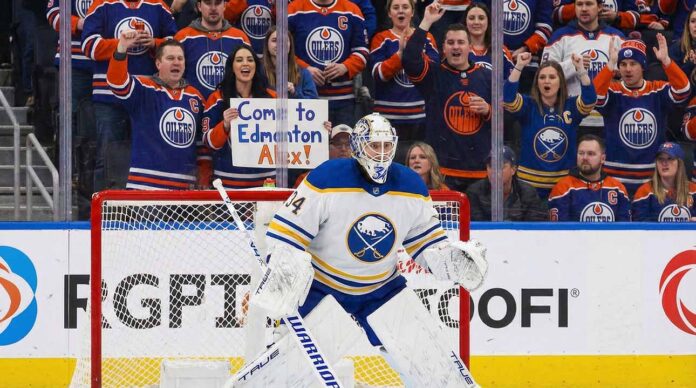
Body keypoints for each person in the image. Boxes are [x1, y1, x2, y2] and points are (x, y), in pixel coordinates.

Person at [249, 112, 487, 386]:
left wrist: (450, 260)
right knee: (286, 376)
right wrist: (286, 263)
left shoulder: (411, 185)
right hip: (323, 287)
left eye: (387, 146)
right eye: (375, 145)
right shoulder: (327, 177)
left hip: (382, 289)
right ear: (359, 146)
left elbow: (426, 244)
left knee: (435, 370)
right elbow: (285, 231)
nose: (382, 153)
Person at [82, 0, 178, 190]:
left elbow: (177, 42)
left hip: (146, 97)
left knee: (147, 157)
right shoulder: (102, 4)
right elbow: (88, 45)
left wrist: (154, 43)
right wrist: (121, 44)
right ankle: (102, 212)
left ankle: (141, 212)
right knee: (106, 157)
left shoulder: (158, 6)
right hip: (108, 97)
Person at [403, 2, 492, 192]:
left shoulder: (486, 76)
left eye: (460, 42)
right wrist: (426, 22)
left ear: (470, 47)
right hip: (442, 173)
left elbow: (507, 117)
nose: (455, 47)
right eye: (450, 43)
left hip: (480, 173)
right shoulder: (434, 75)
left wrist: (489, 110)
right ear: (443, 48)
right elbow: (410, 59)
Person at [594, 36, 690, 195]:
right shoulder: (613, 91)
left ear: (643, 66)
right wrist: (609, 66)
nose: (628, 69)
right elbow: (594, 97)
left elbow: (683, 91)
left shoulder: (657, 90)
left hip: (652, 180)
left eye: (633, 64)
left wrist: (667, 62)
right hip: (614, 179)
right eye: (623, 64)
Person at [107, 34, 205, 190]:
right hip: (145, 184)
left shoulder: (195, 96)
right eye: (170, 58)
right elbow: (117, 83)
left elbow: (201, 141)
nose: (176, 62)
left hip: (185, 187)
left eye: (180, 59)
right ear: (158, 63)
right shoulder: (144, 88)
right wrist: (122, 48)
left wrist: (203, 175)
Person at [504, 52, 596, 199]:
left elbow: (590, 100)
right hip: (528, 186)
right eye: (542, 77)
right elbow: (507, 98)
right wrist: (519, 66)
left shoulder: (570, 106)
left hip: (564, 187)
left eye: (552, 77)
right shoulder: (529, 105)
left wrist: (581, 70)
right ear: (537, 83)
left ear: (561, 82)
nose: (547, 81)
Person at [201, 44, 276, 189]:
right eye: (239, 60)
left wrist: (319, 127)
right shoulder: (217, 98)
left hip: (266, 183)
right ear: (232, 67)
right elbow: (208, 142)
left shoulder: (272, 98)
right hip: (228, 183)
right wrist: (225, 125)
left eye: (250, 60)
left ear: (256, 65)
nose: (245, 63)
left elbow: (294, 132)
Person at [542, 0, 624, 130]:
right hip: (571, 116)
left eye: (589, 4)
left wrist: (618, 73)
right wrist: (572, 66)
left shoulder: (617, 37)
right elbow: (544, 76)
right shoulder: (560, 36)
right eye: (579, 4)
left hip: (610, 117)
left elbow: (632, 76)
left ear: (600, 7)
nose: (584, 9)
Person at [369, 0, 437, 149]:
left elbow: (434, 73)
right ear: (389, 13)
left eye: (405, 7)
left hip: (419, 117)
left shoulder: (427, 38)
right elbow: (378, 74)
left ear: (412, 12)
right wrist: (400, 55)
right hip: (387, 118)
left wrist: (413, 53)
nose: (401, 11)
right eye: (396, 7)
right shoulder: (381, 38)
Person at [288, 0, 369, 126]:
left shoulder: (352, 11)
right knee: (308, 145)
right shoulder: (294, 9)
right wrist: (304, 70)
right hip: (305, 98)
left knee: (342, 145)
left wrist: (345, 66)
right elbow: (281, 50)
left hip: (344, 100)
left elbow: (362, 51)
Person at [174, 0, 251, 100]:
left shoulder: (240, 38)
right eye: (208, 3)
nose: (213, 8)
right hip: (194, 108)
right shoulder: (182, 37)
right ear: (199, 6)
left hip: (231, 108)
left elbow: (252, 77)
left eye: (217, 3)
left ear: (224, 6)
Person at [549, 135, 631, 221]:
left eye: (591, 154)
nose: (584, 158)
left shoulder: (618, 188)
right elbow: (560, 231)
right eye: (581, 153)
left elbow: (625, 230)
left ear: (602, 159)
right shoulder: (563, 188)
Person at [467, 146, 548, 221]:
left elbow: (534, 228)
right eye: (491, 166)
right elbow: (477, 228)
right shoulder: (475, 192)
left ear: (513, 169)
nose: (495, 171)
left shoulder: (528, 193)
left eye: (501, 166)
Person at [632, 142, 696, 221]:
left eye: (670, 158)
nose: (664, 163)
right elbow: (639, 229)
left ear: (680, 163)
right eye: (660, 159)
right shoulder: (645, 192)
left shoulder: (694, 191)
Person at [262, 26, 318, 99]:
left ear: (290, 45)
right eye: (274, 40)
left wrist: (294, 93)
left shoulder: (304, 74)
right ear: (267, 44)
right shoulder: (258, 71)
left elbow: (314, 104)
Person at [461, 3, 514, 79]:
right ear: (465, 22)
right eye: (471, 18)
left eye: (481, 18)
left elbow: (510, 83)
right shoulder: (458, 50)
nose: (476, 22)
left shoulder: (500, 50)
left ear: (488, 21)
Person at [668, 6, 696, 82]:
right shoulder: (676, 48)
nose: (695, 25)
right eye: (693, 21)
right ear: (688, 25)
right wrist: (690, 64)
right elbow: (675, 79)